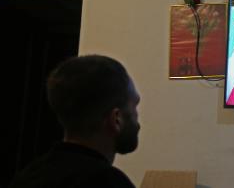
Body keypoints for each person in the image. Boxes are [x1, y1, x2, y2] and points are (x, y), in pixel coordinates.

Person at [9, 55, 140, 188]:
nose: (138, 120)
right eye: (135, 106)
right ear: (116, 119)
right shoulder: (110, 182)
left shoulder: (26, 177)